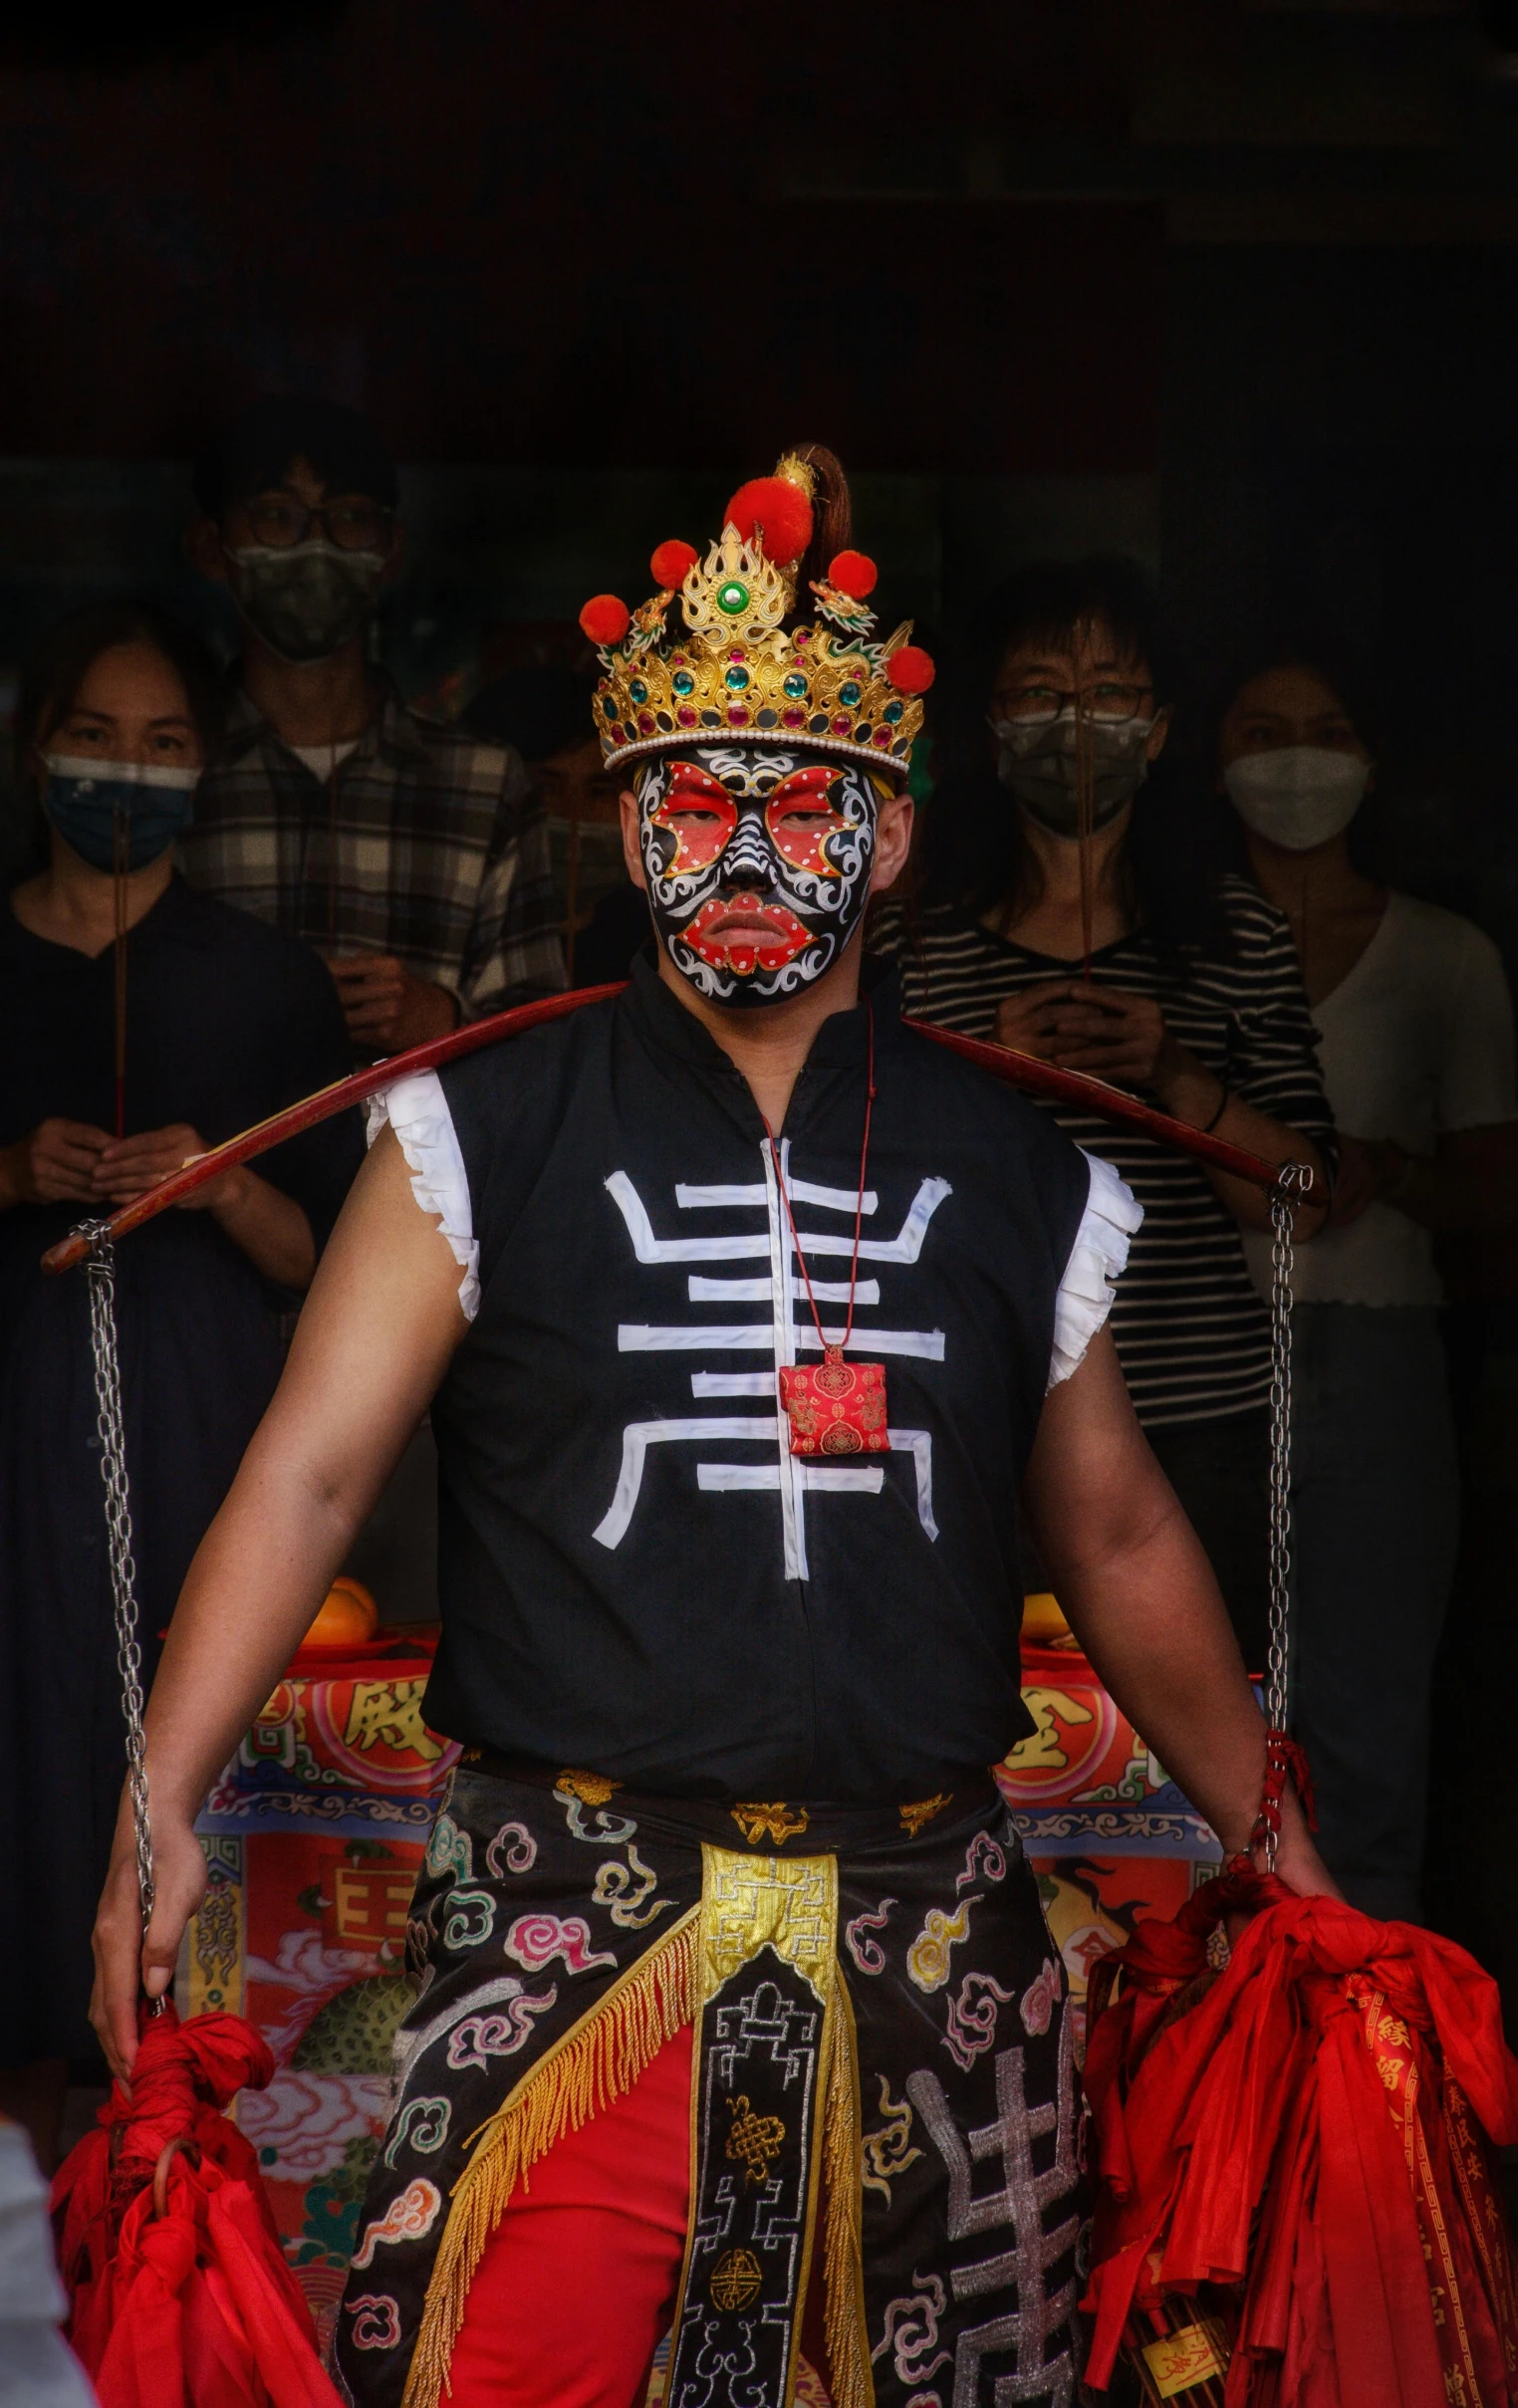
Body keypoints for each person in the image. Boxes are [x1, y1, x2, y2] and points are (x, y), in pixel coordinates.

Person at [91, 456, 1333, 2408]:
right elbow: (308, 1473)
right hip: (577, 1919)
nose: (746, 844)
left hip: (935, 1937)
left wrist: (1279, 1833)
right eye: (695, 797)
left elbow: (1115, 1537)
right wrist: (156, 1804)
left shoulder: (1013, 1164)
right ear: (623, 827)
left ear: (897, 837)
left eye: (802, 799)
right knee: (505, 2365)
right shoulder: (474, 1135)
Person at [0, 603, 363, 2171]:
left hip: (199, 1423)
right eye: (99, 737)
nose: (126, 772)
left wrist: (218, 1186)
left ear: (206, 769)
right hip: (16, 1443)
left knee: (187, 1728)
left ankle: (188, 2183)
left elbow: (322, 1258)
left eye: (164, 746)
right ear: (36, 749)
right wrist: (12, 1169)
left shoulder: (264, 979)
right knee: (24, 1755)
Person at [876, 558, 1333, 1672]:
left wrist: (1174, 1075)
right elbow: (855, 1175)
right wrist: (992, 1074)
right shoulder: (909, 938)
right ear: (990, 726)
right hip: (975, 1406)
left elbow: (1304, 1199)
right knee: (996, 1731)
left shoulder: (1238, 933)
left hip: (1196, 1422)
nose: (1077, 720)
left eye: (1111, 694)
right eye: (1040, 691)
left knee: (1193, 1742)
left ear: (1163, 729)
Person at [1222, 655, 1518, 1919]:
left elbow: (1494, 1193)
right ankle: (1221, 2042)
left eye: (1328, 729)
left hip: (1384, 1358)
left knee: (1368, 1719)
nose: (1298, 757)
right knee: (1207, 1703)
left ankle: (1373, 2050)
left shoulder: (1447, 959)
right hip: (1207, 1353)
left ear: (1373, 758)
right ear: (1213, 756)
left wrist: (1386, 1169)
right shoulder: (1190, 949)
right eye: (1266, 731)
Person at [178, 395, 564, 1050]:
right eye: (278, 517)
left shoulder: (483, 783)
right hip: (210, 1155)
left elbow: (548, 1048)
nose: (317, 545)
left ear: (391, 551)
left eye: (349, 519)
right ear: (212, 547)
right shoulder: (169, 770)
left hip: (419, 1154)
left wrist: (441, 1022)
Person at [460, 660, 641, 982]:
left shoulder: (655, 947)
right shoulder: (462, 943)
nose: (574, 813)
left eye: (599, 791)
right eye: (545, 788)